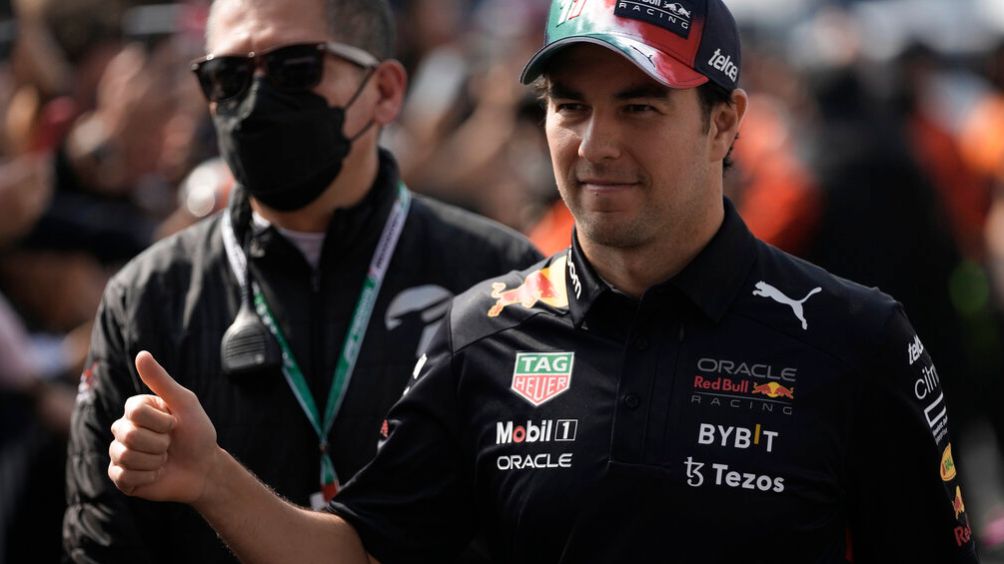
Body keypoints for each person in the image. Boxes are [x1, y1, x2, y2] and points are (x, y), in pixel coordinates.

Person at [104, 0, 981, 562]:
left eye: (638, 106)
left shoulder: (856, 338)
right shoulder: (478, 332)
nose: (595, 143)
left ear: (725, 124)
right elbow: (361, 555)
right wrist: (211, 477)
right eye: (569, 106)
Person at [62, 0, 541, 561]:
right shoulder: (148, 297)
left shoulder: (501, 279)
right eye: (228, 76)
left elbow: (542, 519)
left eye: (296, 68)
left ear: (385, 91)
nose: (256, 99)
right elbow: (99, 542)